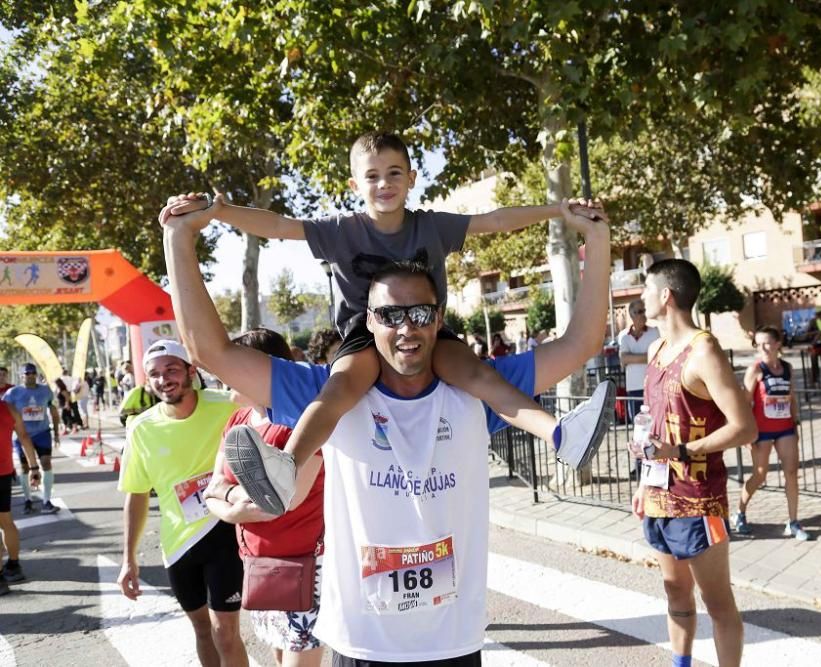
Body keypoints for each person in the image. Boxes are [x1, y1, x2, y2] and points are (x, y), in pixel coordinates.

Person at [162, 196, 612, 663]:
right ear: (368, 322)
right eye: (390, 316)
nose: (405, 329)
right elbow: (211, 351)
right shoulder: (331, 394)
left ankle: (560, 434)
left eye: (419, 314)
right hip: (361, 644)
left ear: (439, 319)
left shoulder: (479, 390)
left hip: (453, 643)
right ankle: (283, 467)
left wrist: (597, 240)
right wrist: (179, 237)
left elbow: (581, 342)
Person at [162, 132, 613, 517]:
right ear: (354, 184)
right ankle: (286, 465)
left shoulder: (432, 227)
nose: (384, 183)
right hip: (362, 335)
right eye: (373, 176)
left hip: (438, 335)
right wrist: (215, 212)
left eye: (395, 173)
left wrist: (561, 212)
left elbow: (495, 220)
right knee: (339, 389)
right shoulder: (340, 229)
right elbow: (278, 225)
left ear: (412, 179)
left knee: (477, 374)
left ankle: (559, 433)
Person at [629, 259, 757, 667]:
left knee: (718, 604)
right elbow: (653, 423)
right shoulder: (655, 348)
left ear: (665, 295)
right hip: (659, 494)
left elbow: (744, 428)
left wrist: (682, 451)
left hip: (699, 500)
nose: (642, 298)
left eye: (646, 290)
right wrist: (643, 482)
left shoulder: (704, 351)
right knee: (675, 594)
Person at [116, 340, 249, 667]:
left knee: (225, 632)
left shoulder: (228, 405)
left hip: (224, 532)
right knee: (203, 631)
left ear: (191, 370)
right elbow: (136, 495)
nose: (164, 379)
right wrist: (128, 559)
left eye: (172, 369)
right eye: (155, 374)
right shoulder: (141, 428)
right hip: (178, 545)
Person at [204, 328, 326, 667]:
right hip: (258, 565)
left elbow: (281, 502)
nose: (223, 373)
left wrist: (227, 501)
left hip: (306, 566)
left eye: (233, 364)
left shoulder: (299, 422)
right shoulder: (237, 420)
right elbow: (211, 489)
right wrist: (231, 507)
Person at [732, 325, 810, 541]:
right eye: (758, 343)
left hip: (785, 429)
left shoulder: (787, 368)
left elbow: (791, 396)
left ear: (777, 344)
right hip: (761, 432)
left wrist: (795, 423)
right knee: (759, 475)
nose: (762, 347)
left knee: (792, 473)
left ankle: (793, 522)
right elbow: (745, 403)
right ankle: (740, 512)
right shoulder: (755, 370)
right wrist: (746, 434)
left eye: (766, 342)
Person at [3, 364, 60, 514]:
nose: (31, 375)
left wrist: (57, 433)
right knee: (24, 468)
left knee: (46, 463)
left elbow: (52, 410)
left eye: (33, 373)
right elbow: (6, 414)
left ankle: (47, 501)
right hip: (21, 435)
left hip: (42, 432)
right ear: (21, 376)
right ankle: (28, 500)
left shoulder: (45, 390)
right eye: (27, 373)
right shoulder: (12, 393)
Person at [0, 399, 42, 596]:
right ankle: (14, 566)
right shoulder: (8, 408)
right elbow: (24, 436)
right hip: (4, 473)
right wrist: (33, 467)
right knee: (6, 521)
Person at [617, 299, 659, 423]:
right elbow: (623, 359)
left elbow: (656, 357)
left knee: (654, 424)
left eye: (644, 311)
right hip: (633, 388)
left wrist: (632, 357)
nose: (643, 314)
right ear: (632, 315)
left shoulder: (655, 332)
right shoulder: (623, 336)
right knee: (638, 424)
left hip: (652, 386)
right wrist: (646, 357)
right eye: (640, 311)